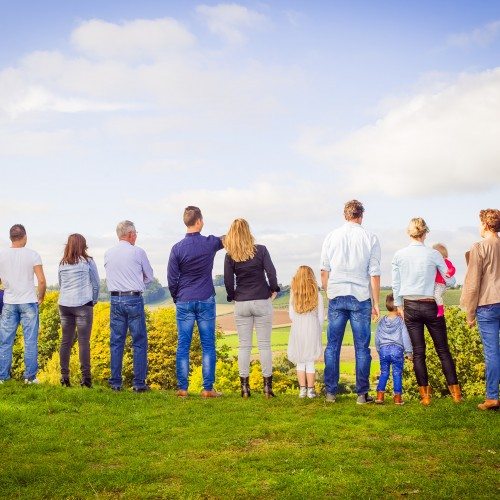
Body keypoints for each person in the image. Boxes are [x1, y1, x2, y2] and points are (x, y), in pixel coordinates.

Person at [392, 217, 461, 406]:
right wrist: (451, 282)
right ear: (425, 233)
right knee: (443, 350)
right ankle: (456, 394)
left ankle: (425, 397)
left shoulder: (399, 255)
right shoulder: (434, 254)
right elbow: (449, 279)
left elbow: (396, 285)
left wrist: (399, 306)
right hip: (431, 305)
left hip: (410, 307)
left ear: (409, 232)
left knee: (418, 353)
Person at [320, 200, 381, 404]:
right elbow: (374, 273)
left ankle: (330, 393)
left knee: (332, 346)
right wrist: (376, 303)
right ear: (361, 215)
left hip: (336, 295)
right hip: (360, 296)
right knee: (362, 348)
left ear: (345, 215)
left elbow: (324, 269)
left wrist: (328, 291)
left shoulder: (331, 236)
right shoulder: (370, 237)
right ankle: (362, 395)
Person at [167, 206, 224, 398]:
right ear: (199, 221)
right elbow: (228, 238)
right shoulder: (210, 243)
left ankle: (183, 389)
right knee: (208, 345)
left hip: (184, 300)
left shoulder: (177, 248)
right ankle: (207, 389)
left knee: (183, 345)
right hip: (206, 298)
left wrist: (178, 297)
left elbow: (171, 279)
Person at [224, 218, 280, 398]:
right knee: (264, 345)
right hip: (261, 299)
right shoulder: (261, 250)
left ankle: (244, 388)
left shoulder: (230, 255)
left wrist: (232, 296)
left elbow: (227, 280)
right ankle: (267, 388)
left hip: (241, 302)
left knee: (243, 346)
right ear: (248, 231)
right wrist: (274, 289)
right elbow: (271, 272)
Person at [104, 220, 154, 392]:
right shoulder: (138, 252)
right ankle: (139, 383)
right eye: (136, 233)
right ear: (131, 234)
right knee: (139, 341)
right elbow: (150, 276)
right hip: (133, 299)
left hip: (115, 299)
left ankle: (115, 383)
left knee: (116, 342)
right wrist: (138, 283)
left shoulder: (108, 253)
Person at [460, 208, 500, 411]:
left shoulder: (479, 247)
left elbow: (473, 282)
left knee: (492, 352)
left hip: (487, 304)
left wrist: (470, 313)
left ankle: (492, 397)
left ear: (484, 224)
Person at [0, 224, 46, 383]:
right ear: (25, 236)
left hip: (9, 302)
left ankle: (3, 377)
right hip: (28, 302)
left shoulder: (1, 255)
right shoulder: (33, 255)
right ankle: (30, 377)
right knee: (30, 341)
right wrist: (41, 297)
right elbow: (41, 281)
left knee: (5, 341)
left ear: (11, 237)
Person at [58, 234, 100, 388]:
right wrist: (93, 300)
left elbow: (61, 284)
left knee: (66, 341)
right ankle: (86, 380)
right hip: (83, 304)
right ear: (83, 245)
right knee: (83, 342)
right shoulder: (88, 262)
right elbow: (96, 284)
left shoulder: (62, 263)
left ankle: (64, 378)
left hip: (64, 304)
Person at [287, 266, 324, 399]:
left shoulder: (294, 294)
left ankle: (302, 390)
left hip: (298, 328)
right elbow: (320, 317)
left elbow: (291, 315)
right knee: (310, 361)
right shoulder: (317, 295)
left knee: (300, 361)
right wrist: (317, 330)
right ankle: (311, 390)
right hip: (312, 328)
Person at [375, 293, 413, 405]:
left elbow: (377, 336)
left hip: (383, 350)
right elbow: (405, 337)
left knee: (384, 373)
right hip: (397, 350)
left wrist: (379, 349)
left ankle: (380, 397)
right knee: (397, 373)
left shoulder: (382, 320)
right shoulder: (401, 321)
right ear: (399, 306)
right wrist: (409, 352)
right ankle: (397, 398)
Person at [432, 243, 456, 317]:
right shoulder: (435, 262)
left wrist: (449, 273)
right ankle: (437, 307)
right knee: (433, 296)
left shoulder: (446, 262)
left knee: (436, 295)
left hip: (441, 284)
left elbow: (453, 269)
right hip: (435, 283)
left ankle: (441, 309)